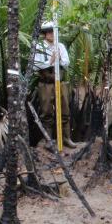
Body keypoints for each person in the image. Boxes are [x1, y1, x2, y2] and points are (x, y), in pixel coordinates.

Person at [33, 21, 76, 149]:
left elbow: (66, 62)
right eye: (49, 31)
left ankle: (66, 138)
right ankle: (48, 140)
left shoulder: (60, 46)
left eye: (53, 31)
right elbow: (36, 65)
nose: (51, 34)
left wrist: (56, 60)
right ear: (45, 34)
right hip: (45, 84)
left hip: (60, 83)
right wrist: (50, 62)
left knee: (65, 110)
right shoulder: (39, 46)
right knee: (46, 112)